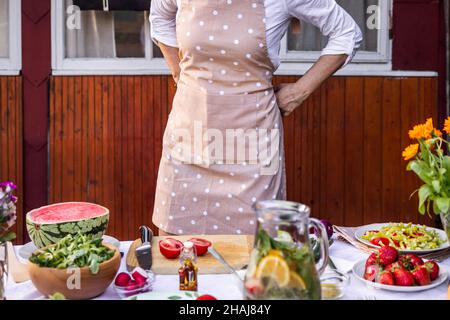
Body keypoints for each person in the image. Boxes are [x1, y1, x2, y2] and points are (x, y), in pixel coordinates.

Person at [150, 0, 363, 236]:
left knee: (254, 254)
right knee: (175, 252)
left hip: (254, 147)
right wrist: (180, 73)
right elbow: (159, 18)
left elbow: (346, 33)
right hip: (188, 138)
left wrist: (298, 92)